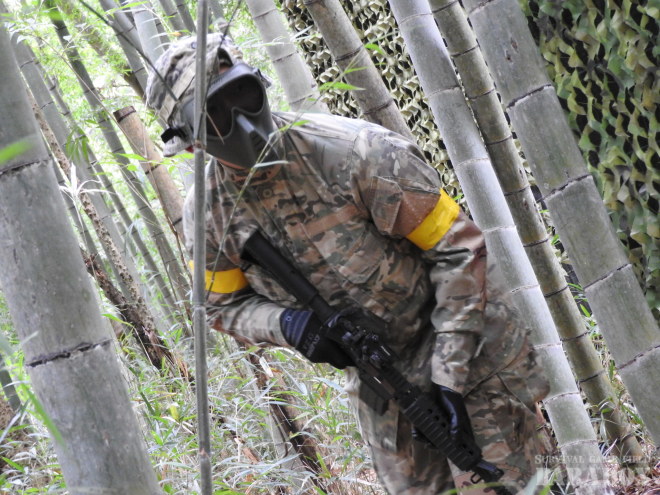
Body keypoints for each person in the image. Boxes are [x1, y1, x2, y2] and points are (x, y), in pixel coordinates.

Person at [146, 33, 551, 494]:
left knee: (514, 485)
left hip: (465, 343)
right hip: (381, 383)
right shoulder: (209, 216)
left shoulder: (356, 152)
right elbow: (221, 306)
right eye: (216, 114)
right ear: (192, 142)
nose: (241, 121)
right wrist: (289, 326)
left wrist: (449, 375)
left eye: (243, 94)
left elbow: (459, 249)